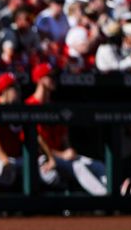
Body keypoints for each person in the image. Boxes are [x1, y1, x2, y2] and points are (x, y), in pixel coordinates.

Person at [25, 63, 108, 195]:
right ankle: (105, 197)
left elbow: (63, 136)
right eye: (50, 76)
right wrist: (61, 154)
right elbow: (35, 142)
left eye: (54, 76)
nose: (54, 79)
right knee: (78, 167)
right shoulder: (29, 105)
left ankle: (116, 192)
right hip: (41, 158)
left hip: (60, 156)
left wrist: (68, 149)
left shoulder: (54, 107)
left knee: (98, 165)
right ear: (40, 79)